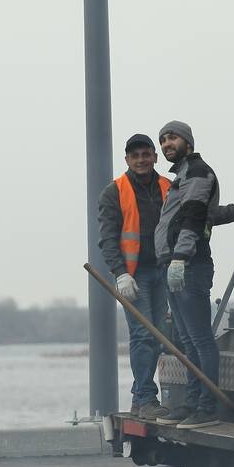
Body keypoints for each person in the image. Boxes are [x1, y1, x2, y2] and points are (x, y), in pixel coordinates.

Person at [154, 120, 234, 428]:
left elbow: (192, 218)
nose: (166, 144)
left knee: (200, 339)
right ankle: (192, 402)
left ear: (187, 142)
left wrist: (180, 257)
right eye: (163, 140)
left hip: (188, 266)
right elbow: (207, 215)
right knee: (187, 340)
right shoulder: (182, 178)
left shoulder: (198, 173)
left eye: (172, 138)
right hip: (173, 265)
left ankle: (206, 407)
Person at [97, 133, 172, 421]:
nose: (141, 160)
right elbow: (108, 238)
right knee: (143, 335)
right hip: (135, 274)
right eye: (135, 155)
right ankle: (146, 398)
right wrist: (120, 274)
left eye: (146, 154)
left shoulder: (168, 186)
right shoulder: (114, 192)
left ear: (154, 156)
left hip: (165, 270)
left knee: (159, 335)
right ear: (127, 159)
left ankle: (140, 398)